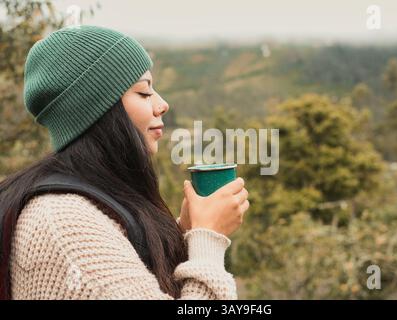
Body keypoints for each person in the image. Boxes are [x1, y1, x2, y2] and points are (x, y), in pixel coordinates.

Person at [0, 25, 249, 300]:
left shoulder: (86, 204)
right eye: (144, 92)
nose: (162, 104)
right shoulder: (67, 227)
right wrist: (208, 238)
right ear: (98, 110)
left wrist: (185, 234)